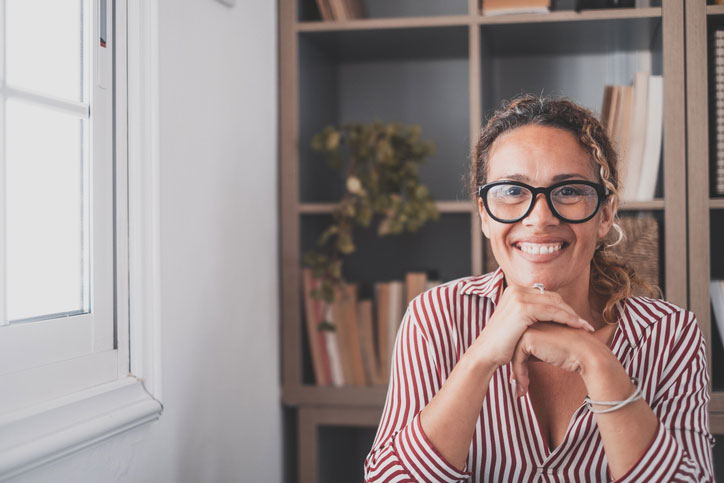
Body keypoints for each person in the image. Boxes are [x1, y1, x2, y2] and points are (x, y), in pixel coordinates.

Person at [363, 95, 715, 482]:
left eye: (568, 191)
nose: (540, 218)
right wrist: (480, 358)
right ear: (484, 215)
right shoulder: (436, 317)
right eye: (512, 191)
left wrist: (594, 361)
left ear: (605, 214)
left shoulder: (668, 335)